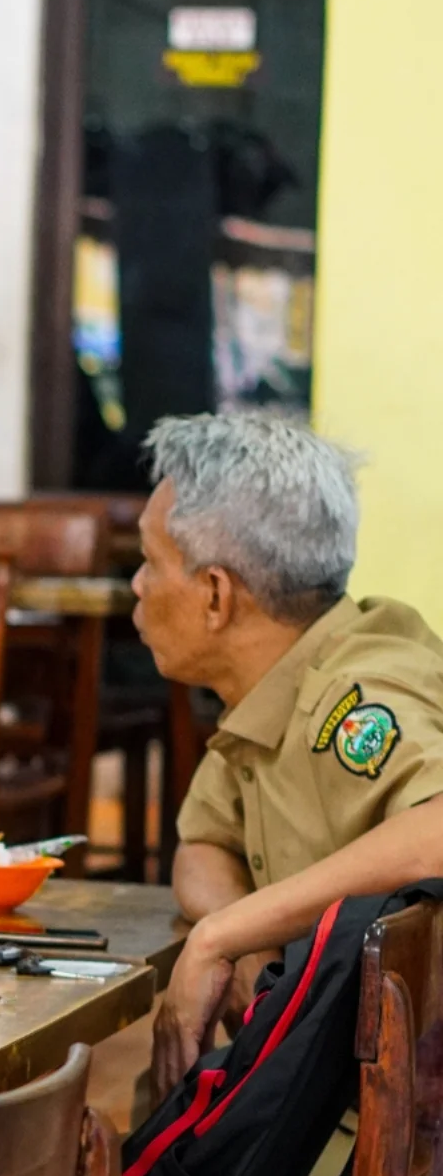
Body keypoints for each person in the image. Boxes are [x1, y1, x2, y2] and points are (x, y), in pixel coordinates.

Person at [133, 411, 443, 1091]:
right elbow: (203, 843)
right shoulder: (269, 689)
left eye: (150, 562)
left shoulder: (353, 696)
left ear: (215, 595)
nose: (137, 586)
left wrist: (220, 937)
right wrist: (245, 942)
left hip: (389, 1154)